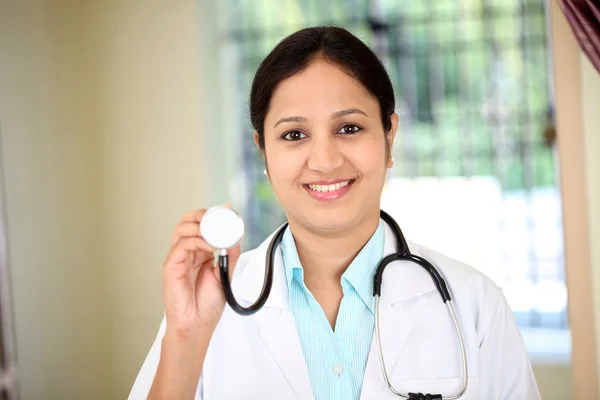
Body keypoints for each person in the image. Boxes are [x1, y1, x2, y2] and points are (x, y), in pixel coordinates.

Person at [128, 26, 541, 400]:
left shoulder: (475, 303)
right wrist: (186, 337)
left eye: (349, 128)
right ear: (264, 153)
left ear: (389, 136)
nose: (324, 161)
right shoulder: (208, 305)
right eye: (294, 134)